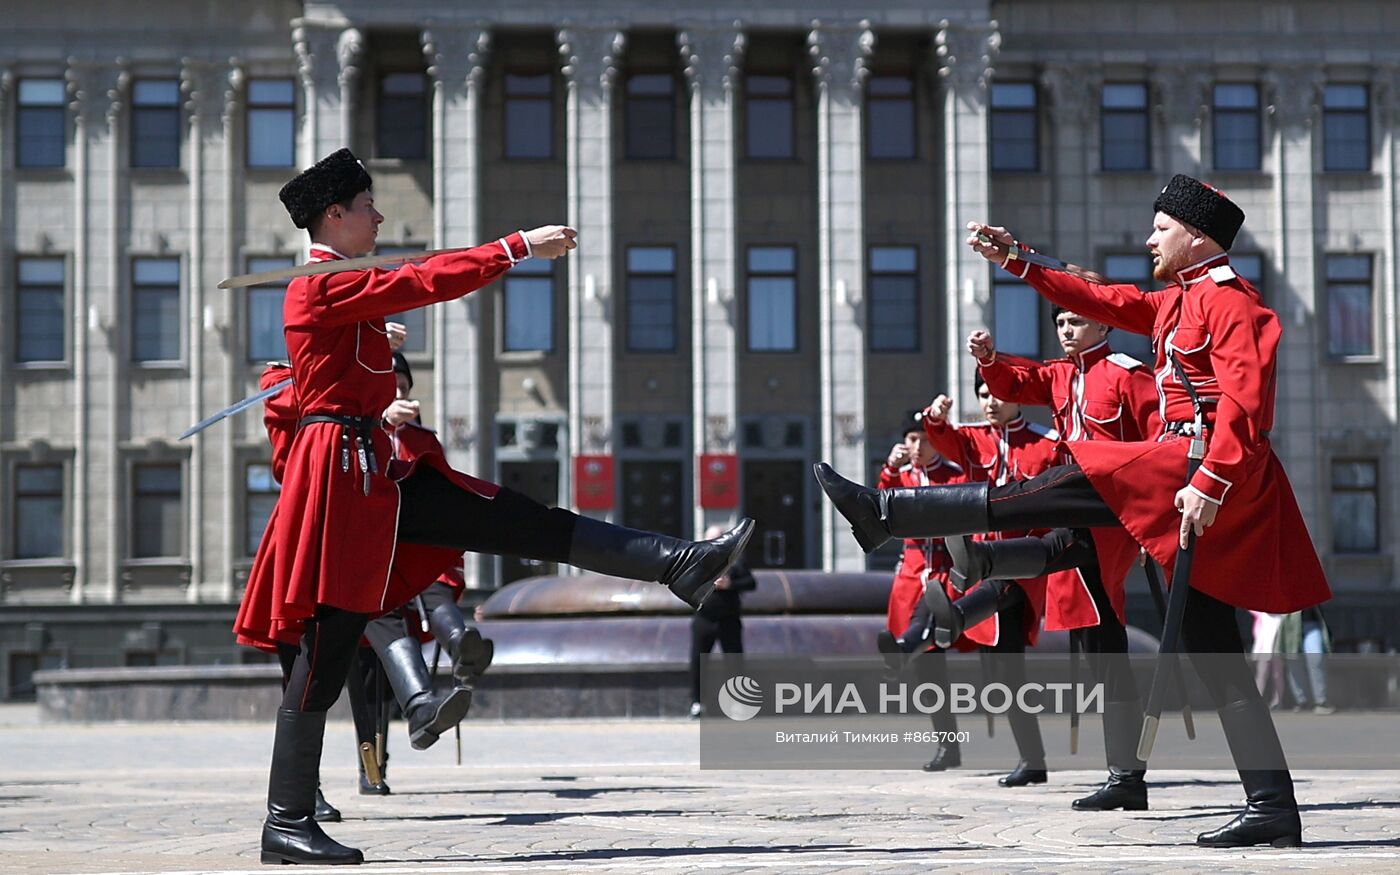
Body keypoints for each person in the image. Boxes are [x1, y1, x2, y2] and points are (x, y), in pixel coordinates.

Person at [235, 148, 754, 866]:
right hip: (345, 484)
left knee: (520, 519)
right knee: (323, 656)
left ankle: (679, 563)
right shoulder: (322, 285)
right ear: (335, 215)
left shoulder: (339, 288)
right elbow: (422, 278)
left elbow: (372, 327)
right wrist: (517, 248)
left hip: (377, 477)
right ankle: (286, 820)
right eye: (367, 205)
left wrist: (367, 333)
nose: (378, 215)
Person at [815, 174, 1331, 848]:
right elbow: (1096, 296)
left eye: (1161, 228)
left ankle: (893, 512)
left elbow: (1246, 404)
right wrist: (1018, 261)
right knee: (1214, 655)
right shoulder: (1175, 301)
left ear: (1197, 235)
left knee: (1083, 467)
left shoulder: (1233, 303)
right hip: (1180, 475)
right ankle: (1273, 803)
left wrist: (1212, 480)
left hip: (1206, 475)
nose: (1150, 238)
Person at [941, 313, 1160, 811]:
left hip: (1111, 510)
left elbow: (1158, 443)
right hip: (1075, 505)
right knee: (1104, 646)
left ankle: (976, 557)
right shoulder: (1063, 374)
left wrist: (1155, 519)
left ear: (1105, 327)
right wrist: (989, 359)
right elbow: (1019, 380)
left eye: (1077, 320)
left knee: (1097, 624)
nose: (1065, 330)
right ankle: (1125, 777)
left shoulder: (1127, 373)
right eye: (1060, 320)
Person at [917, 379, 1060, 788]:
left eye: (998, 394)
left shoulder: (1046, 442)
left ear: (1018, 397)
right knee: (1002, 675)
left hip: (1028, 562)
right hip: (980, 565)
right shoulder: (973, 438)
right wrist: (936, 418)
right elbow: (942, 440)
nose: (990, 402)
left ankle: (955, 615)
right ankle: (1032, 760)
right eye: (982, 396)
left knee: (1005, 665)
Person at [873, 421, 966, 770]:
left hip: (945, 573)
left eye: (925, 440)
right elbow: (883, 508)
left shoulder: (954, 476)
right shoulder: (902, 476)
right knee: (930, 673)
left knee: (927, 636)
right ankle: (948, 746)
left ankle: (903, 648)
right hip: (911, 575)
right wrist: (890, 470)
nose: (918, 447)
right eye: (912, 439)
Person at [689, 524, 756, 718]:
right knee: (698, 662)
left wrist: (730, 584)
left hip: (729, 619)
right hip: (704, 619)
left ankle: (737, 704)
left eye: (719, 538)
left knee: (734, 662)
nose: (715, 543)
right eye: (711, 539)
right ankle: (697, 703)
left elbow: (751, 583)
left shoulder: (735, 560)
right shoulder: (698, 560)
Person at [1282, 606, 1332, 714]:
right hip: (1289, 621)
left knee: (1316, 658)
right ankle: (1301, 701)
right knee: (1293, 659)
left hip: (1311, 622)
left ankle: (1321, 701)